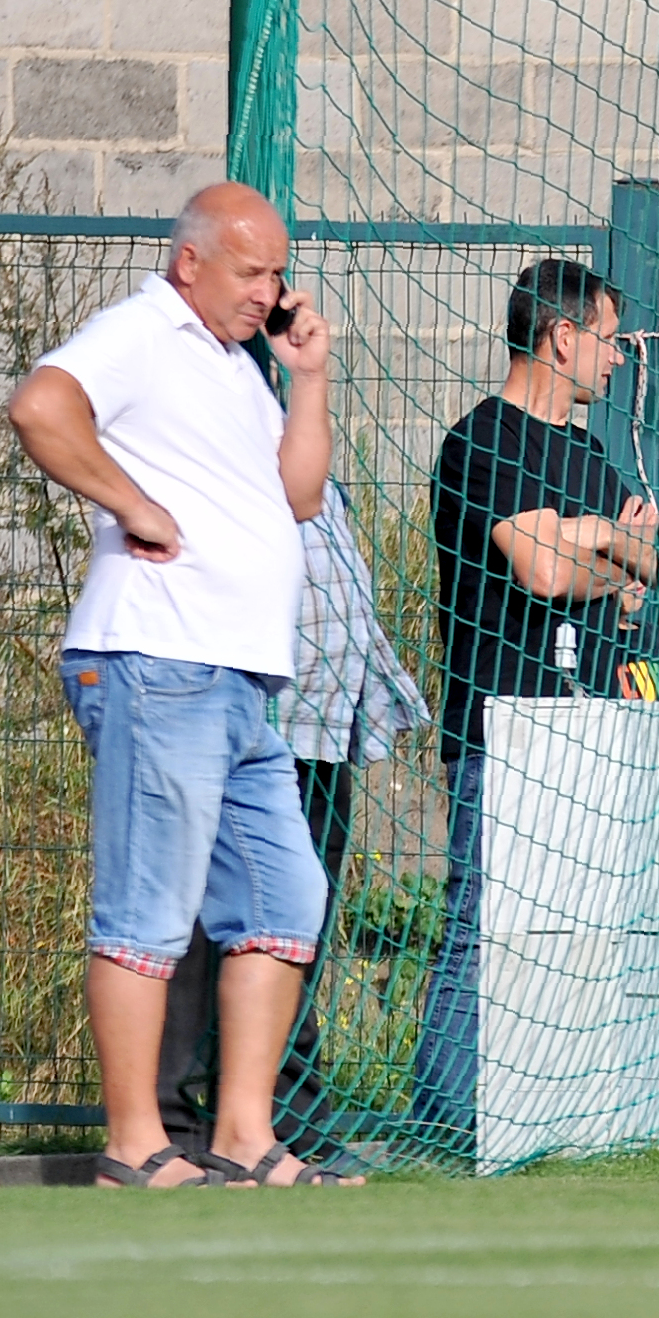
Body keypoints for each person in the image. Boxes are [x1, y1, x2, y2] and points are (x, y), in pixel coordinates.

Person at [8, 182, 356, 1189]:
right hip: (158, 660)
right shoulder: (144, 329)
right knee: (148, 906)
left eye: (277, 273)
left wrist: (308, 377)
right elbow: (40, 405)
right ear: (189, 262)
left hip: (240, 679)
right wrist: (132, 504)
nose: (268, 291)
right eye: (250, 271)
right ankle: (133, 1145)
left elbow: (299, 494)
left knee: (286, 897)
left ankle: (243, 1137)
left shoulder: (238, 363)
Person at [421, 258, 657, 1150]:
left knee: (580, 930)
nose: (617, 360)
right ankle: (445, 1123)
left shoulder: (590, 456)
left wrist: (596, 544)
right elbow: (545, 572)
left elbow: (641, 576)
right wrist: (608, 543)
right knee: (484, 925)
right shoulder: (485, 441)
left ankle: (557, 1119)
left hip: (591, 724)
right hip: (502, 722)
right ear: (562, 336)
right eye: (609, 340)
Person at [154, 463, 430, 1162]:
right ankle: (170, 1131)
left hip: (316, 730)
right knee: (188, 930)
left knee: (292, 925)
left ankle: (280, 1124)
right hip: (228, 714)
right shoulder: (206, 447)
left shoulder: (303, 455)